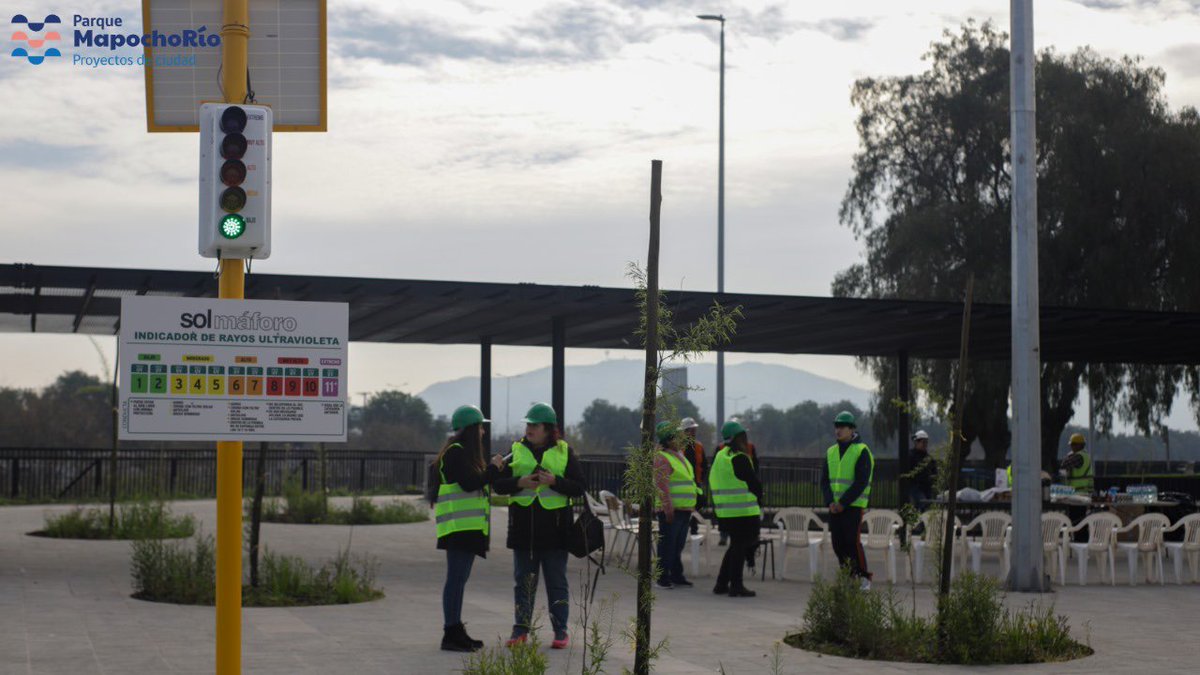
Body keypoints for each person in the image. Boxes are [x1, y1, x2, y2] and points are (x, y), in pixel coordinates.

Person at [492, 402, 586, 649]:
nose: (529, 429)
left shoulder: (565, 451)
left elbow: (579, 487)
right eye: (528, 425)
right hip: (523, 531)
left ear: (548, 429)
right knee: (523, 583)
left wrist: (555, 481)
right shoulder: (515, 450)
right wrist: (519, 482)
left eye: (535, 425)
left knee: (557, 583)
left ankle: (560, 631)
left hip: (556, 532)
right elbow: (498, 485)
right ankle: (520, 630)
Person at [434, 405, 507, 652]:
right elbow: (469, 483)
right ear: (471, 429)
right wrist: (492, 469)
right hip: (458, 528)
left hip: (466, 528)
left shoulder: (462, 453)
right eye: (481, 428)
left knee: (459, 579)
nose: (483, 433)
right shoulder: (456, 453)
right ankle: (451, 633)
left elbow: (476, 481)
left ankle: (456, 629)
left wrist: (494, 470)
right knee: (455, 580)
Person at [821, 411, 875, 590]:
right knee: (838, 544)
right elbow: (824, 481)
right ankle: (848, 576)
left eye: (843, 426)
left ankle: (863, 577)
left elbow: (861, 482)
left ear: (852, 429)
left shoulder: (862, 451)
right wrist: (830, 502)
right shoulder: (831, 452)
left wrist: (843, 503)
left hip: (853, 506)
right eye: (836, 426)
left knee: (852, 542)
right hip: (835, 507)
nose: (838, 430)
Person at [709, 420, 762, 597]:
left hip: (725, 512)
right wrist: (760, 495)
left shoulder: (720, 456)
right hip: (743, 512)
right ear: (739, 438)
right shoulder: (739, 457)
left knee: (735, 546)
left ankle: (721, 583)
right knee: (740, 547)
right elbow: (753, 483)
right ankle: (736, 585)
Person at [654, 421, 700, 589]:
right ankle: (662, 578)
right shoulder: (662, 458)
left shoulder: (678, 455)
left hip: (684, 509)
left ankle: (676, 574)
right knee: (667, 544)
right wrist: (668, 508)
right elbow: (662, 486)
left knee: (677, 545)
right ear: (669, 439)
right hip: (672, 510)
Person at [679, 417, 706, 535]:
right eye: (692, 430)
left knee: (698, 504)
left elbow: (704, 464)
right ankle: (686, 529)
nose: (694, 432)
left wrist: (701, 479)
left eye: (694, 430)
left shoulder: (699, 446)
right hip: (683, 484)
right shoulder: (678, 447)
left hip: (696, 482)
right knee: (685, 508)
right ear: (684, 431)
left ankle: (694, 530)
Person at [908, 430, 937, 511]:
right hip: (915, 487)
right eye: (923, 442)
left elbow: (934, 471)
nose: (925, 444)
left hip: (927, 487)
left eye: (926, 442)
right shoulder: (910, 456)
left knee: (928, 507)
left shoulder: (929, 458)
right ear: (916, 442)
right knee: (923, 504)